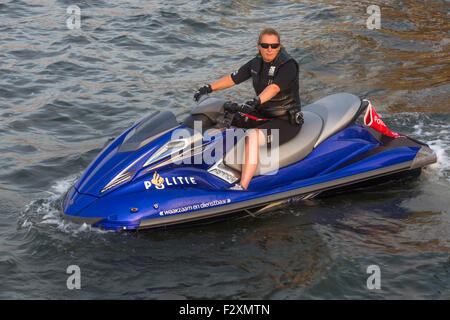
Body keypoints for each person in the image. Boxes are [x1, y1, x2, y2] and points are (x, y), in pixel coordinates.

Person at [194, 27, 303, 190]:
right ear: (259, 46)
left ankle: (242, 186)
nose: (269, 49)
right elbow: (233, 78)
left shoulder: (288, 65)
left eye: (274, 46)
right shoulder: (256, 62)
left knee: (252, 137)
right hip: (262, 113)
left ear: (279, 46)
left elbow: (273, 88)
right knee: (226, 118)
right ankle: (204, 165)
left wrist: (256, 100)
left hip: (285, 120)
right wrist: (208, 88)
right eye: (265, 45)